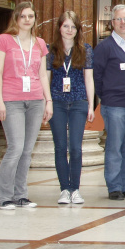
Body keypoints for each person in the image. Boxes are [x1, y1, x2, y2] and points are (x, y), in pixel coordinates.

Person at [0, 1, 52, 210]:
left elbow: (42, 74)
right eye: (23, 16)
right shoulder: (4, 40)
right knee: (15, 148)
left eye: (31, 16)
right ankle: (3, 197)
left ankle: (21, 195)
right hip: (12, 99)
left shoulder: (40, 43)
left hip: (36, 100)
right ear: (16, 18)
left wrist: (48, 101)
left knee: (27, 150)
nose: (27, 20)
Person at [94, 4, 125, 201]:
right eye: (118, 19)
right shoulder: (104, 48)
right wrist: (107, 97)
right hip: (115, 105)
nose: (122, 23)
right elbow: (97, 77)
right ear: (112, 23)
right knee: (114, 147)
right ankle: (114, 186)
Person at [48, 11, 94, 205]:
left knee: (75, 147)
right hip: (57, 101)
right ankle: (64, 189)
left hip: (78, 101)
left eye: (73, 26)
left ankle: (75, 188)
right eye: (66, 26)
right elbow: (47, 77)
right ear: (60, 27)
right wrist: (47, 102)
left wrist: (91, 105)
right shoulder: (51, 50)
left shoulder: (85, 49)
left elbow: (88, 78)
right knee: (60, 147)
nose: (69, 30)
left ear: (78, 30)